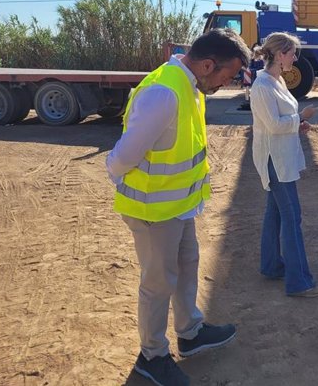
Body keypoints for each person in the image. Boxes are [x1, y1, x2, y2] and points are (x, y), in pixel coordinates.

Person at [107, 28, 251, 386]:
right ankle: (152, 356)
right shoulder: (164, 93)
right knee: (157, 284)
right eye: (227, 75)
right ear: (206, 65)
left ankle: (190, 333)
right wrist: (131, 186)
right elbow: (121, 158)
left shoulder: (191, 86)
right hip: (153, 211)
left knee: (187, 266)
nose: (227, 83)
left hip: (179, 206)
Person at [250, 32, 318, 298]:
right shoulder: (262, 87)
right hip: (275, 161)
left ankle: (271, 266)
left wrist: (297, 123)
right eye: (293, 53)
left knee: (276, 214)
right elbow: (273, 125)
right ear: (280, 54)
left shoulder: (277, 81)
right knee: (292, 217)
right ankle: (299, 282)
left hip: (283, 157)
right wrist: (299, 118)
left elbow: (283, 121)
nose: (296, 57)